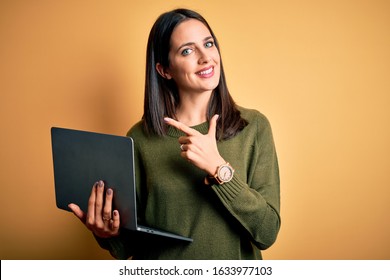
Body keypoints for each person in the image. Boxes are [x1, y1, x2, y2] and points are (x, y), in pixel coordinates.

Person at [68, 8, 280, 260]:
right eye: (187, 50)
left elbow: (267, 232)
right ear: (164, 70)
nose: (205, 58)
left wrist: (219, 169)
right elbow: (128, 248)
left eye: (208, 44)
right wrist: (106, 234)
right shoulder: (139, 138)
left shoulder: (253, 127)